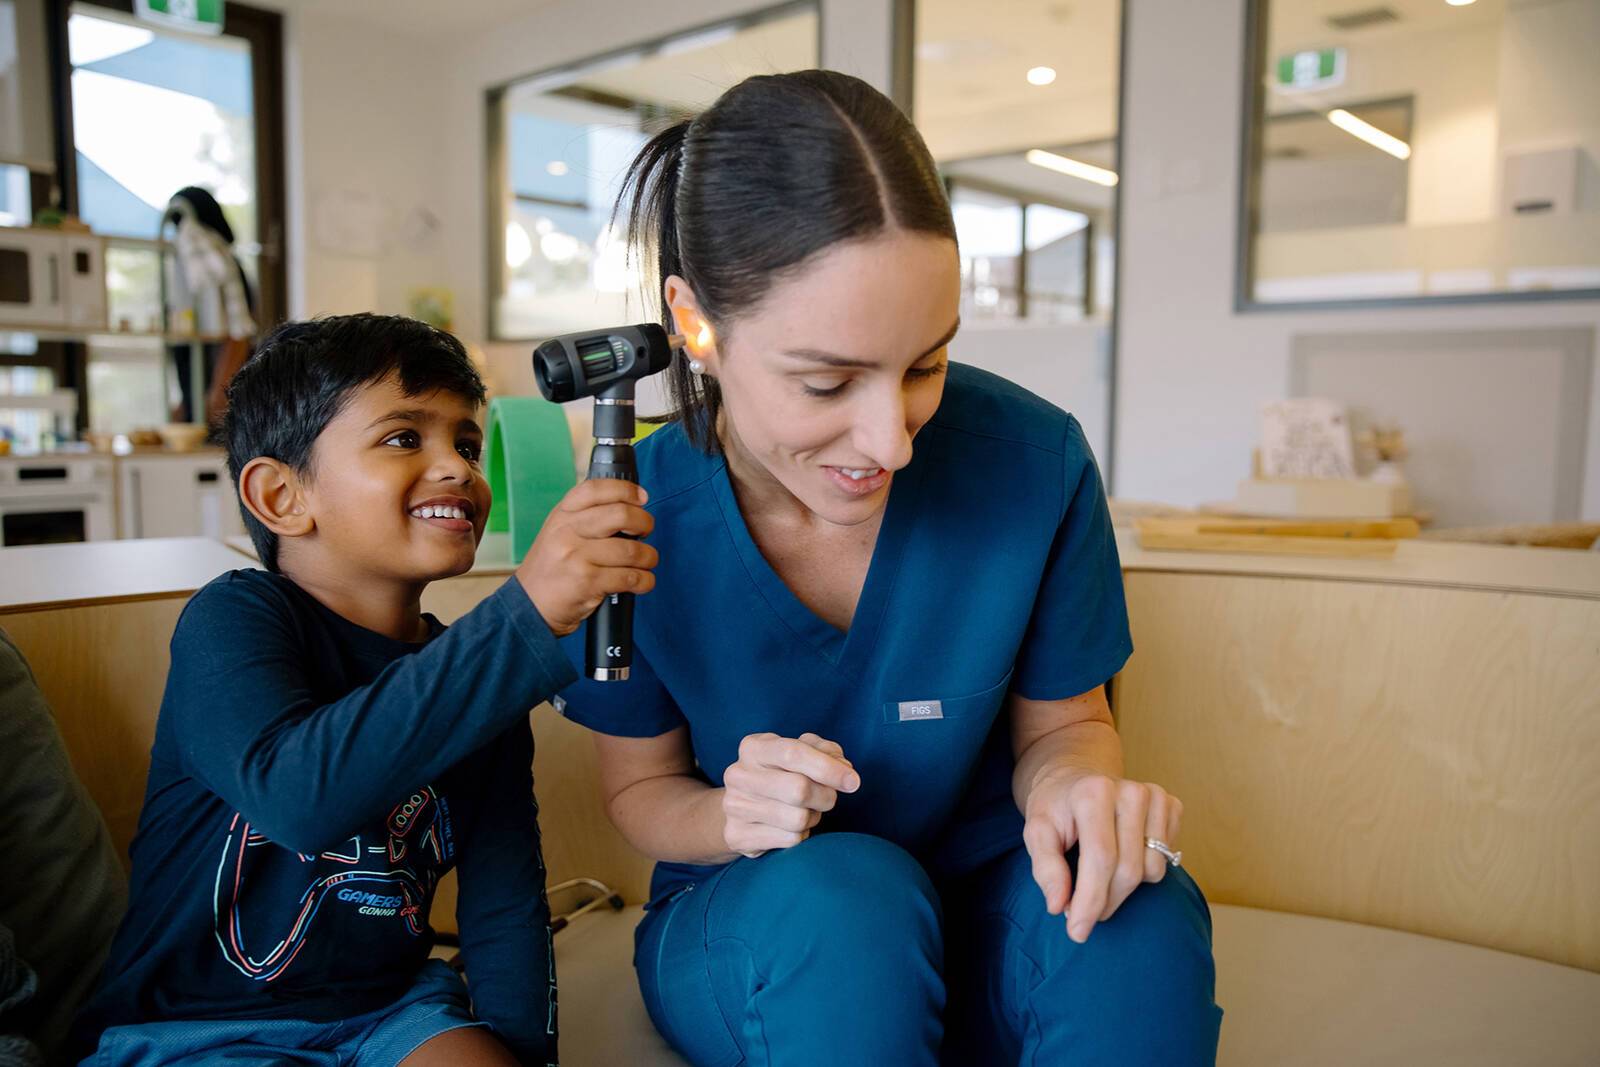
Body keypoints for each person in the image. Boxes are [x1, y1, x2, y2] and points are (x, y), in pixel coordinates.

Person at [553, 70, 1221, 1065]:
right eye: (826, 380)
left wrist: (1077, 793)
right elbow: (637, 790)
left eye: (925, 364)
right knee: (845, 903)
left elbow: (1068, 728)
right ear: (694, 321)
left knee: (1138, 907)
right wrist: (733, 813)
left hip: (993, 895)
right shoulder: (629, 517)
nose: (891, 440)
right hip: (772, 915)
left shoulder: (1032, 464)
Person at [73, 314, 659, 1067]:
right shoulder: (234, 619)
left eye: (467, 444)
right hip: (198, 1027)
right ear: (282, 495)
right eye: (405, 437)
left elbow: (503, 908)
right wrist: (526, 612)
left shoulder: (478, 669)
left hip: (392, 1013)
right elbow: (297, 797)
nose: (457, 467)